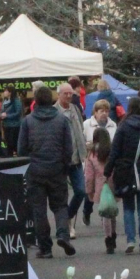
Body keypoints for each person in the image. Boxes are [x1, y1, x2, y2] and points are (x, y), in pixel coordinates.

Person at [17, 83, 77, 258]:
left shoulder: (27, 121)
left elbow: (21, 149)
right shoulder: (62, 120)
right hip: (57, 168)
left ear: (35, 100)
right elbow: (68, 148)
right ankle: (63, 234)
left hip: (35, 170)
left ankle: (45, 247)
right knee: (60, 206)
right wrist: (64, 165)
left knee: (39, 209)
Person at [106, 94, 140, 255]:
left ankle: (130, 240)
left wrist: (107, 171)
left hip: (127, 172)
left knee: (128, 208)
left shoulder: (123, 125)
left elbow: (114, 151)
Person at [55, 82, 88, 222]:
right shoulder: (54, 111)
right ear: (58, 95)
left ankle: (68, 216)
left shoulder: (75, 108)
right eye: (65, 93)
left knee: (81, 191)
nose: (69, 96)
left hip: (76, 158)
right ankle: (64, 224)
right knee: (61, 194)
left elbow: (81, 127)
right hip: (61, 160)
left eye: (71, 93)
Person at [84, 128, 118, 253]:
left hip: (100, 186)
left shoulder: (92, 154)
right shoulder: (112, 151)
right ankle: (113, 234)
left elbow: (89, 176)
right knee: (112, 211)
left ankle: (108, 238)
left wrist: (89, 191)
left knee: (105, 214)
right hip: (112, 184)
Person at [0, 87, 24, 158]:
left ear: (10, 92)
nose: (4, 92)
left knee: (13, 143)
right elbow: (1, 111)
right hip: (6, 125)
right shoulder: (4, 101)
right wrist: (1, 115)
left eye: (6, 91)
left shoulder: (16, 101)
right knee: (8, 144)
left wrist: (7, 115)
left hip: (14, 126)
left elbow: (18, 113)